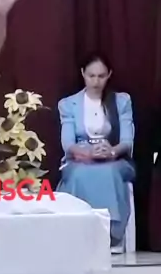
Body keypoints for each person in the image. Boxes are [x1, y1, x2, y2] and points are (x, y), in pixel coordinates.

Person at [56, 52, 135, 248]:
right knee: (79, 174)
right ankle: (79, 231)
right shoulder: (69, 104)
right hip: (80, 159)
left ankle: (110, 233)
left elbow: (127, 141)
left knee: (109, 172)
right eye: (91, 76)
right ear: (83, 73)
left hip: (114, 159)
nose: (96, 81)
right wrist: (89, 153)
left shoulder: (121, 101)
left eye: (101, 76)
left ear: (109, 75)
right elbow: (68, 144)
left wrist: (112, 152)